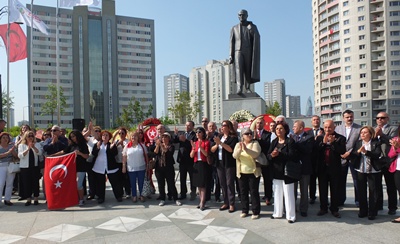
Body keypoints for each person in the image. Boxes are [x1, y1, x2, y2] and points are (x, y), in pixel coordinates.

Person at [49, 130, 89, 206]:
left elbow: (87, 156)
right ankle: (75, 198)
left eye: (74, 136)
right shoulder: (72, 145)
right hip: (72, 167)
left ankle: (81, 199)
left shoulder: (83, 145)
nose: (73, 138)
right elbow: (63, 152)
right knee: (72, 184)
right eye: (71, 137)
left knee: (79, 184)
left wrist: (80, 153)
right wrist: (52, 156)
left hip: (81, 167)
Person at [267, 123, 297, 223]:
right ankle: (277, 213)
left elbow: (292, 155)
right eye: (277, 129)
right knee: (277, 193)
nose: (278, 130)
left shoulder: (290, 141)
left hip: (287, 171)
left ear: (285, 130)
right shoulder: (274, 141)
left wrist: (280, 153)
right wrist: (272, 155)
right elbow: (268, 156)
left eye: (281, 129)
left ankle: (290, 216)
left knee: (288, 194)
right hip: (276, 171)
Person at [316, 120, 346, 218]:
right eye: (325, 127)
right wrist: (323, 143)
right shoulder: (319, 138)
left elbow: (342, 151)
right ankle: (323, 208)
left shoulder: (340, 138)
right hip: (322, 168)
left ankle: (334, 209)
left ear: (334, 127)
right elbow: (316, 152)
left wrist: (333, 143)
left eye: (329, 127)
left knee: (335, 189)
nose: (327, 129)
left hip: (335, 168)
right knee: (322, 188)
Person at [351, 126, 382, 220]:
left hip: (373, 170)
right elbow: (353, 155)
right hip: (361, 169)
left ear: (370, 134)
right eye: (361, 132)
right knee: (361, 191)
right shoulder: (358, 143)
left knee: (373, 191)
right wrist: (358, 152)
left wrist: (366, 152)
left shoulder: (376, 143)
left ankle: (372, 212)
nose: (362, 134)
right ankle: (363, 210)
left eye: (365, 132)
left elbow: (377, 155)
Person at [229, 9, 260, 95]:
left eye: (243, 15)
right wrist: (230, 55)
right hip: (237, 51)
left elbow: (257, 37)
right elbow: (232, 42)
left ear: (247, 16)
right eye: (239, 15)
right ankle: (239, 87)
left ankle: (247, 88)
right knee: (239, 69)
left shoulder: (252, 27)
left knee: (248, 69)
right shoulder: (234, 28)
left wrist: (251, 30)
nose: (241, 16)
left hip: (248, 50)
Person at [233, 127, 262, 219]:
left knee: (253, 192)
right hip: (241, 172)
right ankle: (245, 210)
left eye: (250, 133)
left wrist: (246, 149)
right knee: (243, 192)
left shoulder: (255, 143)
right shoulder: (238, 144)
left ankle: (255, 211)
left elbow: (256, 154)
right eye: (247, 134)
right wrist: (240, 149)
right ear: (242, 136)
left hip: (253, 172)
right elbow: (234, 156)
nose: (249, 135)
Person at [335, 110, 361, 207]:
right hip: (341, 158)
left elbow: (359, 143)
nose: (349, 118)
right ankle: (340, 200)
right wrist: (341, 153)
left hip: (354, 157)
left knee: (356, 180)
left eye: (351, 116)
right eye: (347, 117)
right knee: (341, 180)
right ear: (343, 118)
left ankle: (358, 200)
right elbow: (336, 142)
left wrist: (349, 153)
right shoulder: (338, 128)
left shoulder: (359, 128)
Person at [374, 112, 398, 215]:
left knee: (390, 185)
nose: (380, 120)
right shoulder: (374, 129)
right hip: (377, 161)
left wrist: (381, 135)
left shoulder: (393, 128)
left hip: (388, 161)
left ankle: (392, 207)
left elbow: (393, 141)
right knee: (377, 185)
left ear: (387, 119)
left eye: (382, 118)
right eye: (378, 118)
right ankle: (378, 205)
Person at [212, 120, 239, 213]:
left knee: (229, 184)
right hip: (219, 163)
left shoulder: (233, 138)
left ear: (229, 127)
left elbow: (231, 149)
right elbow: (212, 149)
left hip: (229, 163)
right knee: (222, 183)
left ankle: (232, 203)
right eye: (222, 126)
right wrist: (217, 144)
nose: (222, 127)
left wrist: (221, 144)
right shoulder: (219, 137)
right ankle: (225, 202)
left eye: (224, 125)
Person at [92, 130, 123, 204]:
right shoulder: (97, 144)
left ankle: (118, 196)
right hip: (99, 167)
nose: (105, 137)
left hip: (111, 167)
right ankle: (101, 197)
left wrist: (112, 148)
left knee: (114, 182)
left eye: (107, 135)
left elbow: (114, 154)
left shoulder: (111, 145)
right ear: (101, 137)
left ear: (109, 137)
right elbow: (94, 153)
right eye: (103, 135)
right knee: (100, 183)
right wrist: (98, 147)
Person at [292, 120, 314, 217]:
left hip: (305, 168)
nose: (293, 128)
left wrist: (295, 144)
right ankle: (292, 207)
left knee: (304, 190)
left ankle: (303, 209)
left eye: (295, 126)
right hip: (293, 168)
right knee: (293, 190)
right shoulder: (292, 138)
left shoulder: (309, 138)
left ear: (301, 128)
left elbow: (307, 150)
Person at [153, 132, 181, 206]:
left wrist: (161, 145)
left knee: (171, 184)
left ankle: (176, 198)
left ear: (168, 138)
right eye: (162, 137)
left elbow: (167, 152)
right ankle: (162, 198)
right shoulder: (159, 145)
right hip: (159, 167)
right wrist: (158, 145)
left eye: (165, 137)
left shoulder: (171, 146)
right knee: (161, 184)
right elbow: (155, 152)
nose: (163, 138)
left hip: (168, 168)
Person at [18, 131, 42, 206]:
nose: (31, 137)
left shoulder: (37, 144)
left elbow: (39, 153)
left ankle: (36, 198)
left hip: (34, 166)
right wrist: (28, 149)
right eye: (29, 136)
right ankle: (28, 199)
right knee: (26, 183)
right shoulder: (21, 145)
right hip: (25, 167)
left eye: (32, 136)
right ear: (26, 137)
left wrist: (33, 147)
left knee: (35, 182)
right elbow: (20, 155)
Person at [173, 121, 197, 200]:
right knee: (182, 178)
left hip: (190, 160)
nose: (187, 127)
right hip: (182, 160)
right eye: (186, 125)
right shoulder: (182, 133)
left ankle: (193, 193)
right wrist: (176, 134)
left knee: (192, 178)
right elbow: (175, 141)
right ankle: (183, 193)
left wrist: (185, 140)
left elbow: (193, 145)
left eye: (189, 126)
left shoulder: (194, 135)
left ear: (193, 126)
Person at [122, 131, 147, 203]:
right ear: (130, 138)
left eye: (135, 136)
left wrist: (147, 165)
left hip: (141, 167)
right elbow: (124, 157)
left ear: (138, 137)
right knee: (132, 183)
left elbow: (146, 156)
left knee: (141, 182)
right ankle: (134, 196)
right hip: (131, 168)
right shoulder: (127, 146)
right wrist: (123, 166)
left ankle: (141, 195)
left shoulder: (142, 146)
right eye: (132, 136)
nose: (133, 137)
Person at [190, 127, 210, 210]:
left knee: (203, 184)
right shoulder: (195, 142)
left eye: (199, 132)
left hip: (203, 164)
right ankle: (200, 200)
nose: (197, 134)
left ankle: (202, 201)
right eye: (196, 132)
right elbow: (191, 156)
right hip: (196, 164)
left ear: (203, 133)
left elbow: (206, 154)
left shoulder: (206, 142)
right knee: (198, 184)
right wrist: (194, 148)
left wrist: (201, 147)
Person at [253, 117, 272, 205]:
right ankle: (254, 197)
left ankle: (268, 197)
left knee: (267, 179)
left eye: (261, 123)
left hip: (264, 159)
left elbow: (267, 145)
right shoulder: (251, 133)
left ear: (264, 124)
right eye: (257, 123)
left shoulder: (268, 134)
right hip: (254, 160)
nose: (259, 124)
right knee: (254, 179)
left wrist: (258, 139)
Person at [307, 115, 323, 204]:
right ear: (311, 122)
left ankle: (323, 198)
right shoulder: (308, 133)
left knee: (322, 180)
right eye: (314, 120)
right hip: (311, 160)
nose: (316, 121)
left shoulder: (324, 131)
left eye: (317, 120)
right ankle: (312, 197)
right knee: (312, 180)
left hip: (322, 159)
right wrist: (316, 138)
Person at [112, 127, 131, 199]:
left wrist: (123, 145)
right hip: (118, 162)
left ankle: (128, 192)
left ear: (125, 134)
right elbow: (112, 149)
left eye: (122, 133)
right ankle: (121, 192)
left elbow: (128, 151)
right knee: (119, 179)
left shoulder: (128, 141)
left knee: (126, 178)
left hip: (125, 162)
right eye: (119, 133)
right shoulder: (116, 141)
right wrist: (117, 144)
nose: (121, 135)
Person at [0, 132, 18, 206]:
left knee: (9, 184)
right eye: (3, 138)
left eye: (6, 138)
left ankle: (7, 199)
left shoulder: (11, 146)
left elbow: (16, 156)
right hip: (1, 166)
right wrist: (9, 152)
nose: (5, 139)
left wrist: (13, 151)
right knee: (1, 184)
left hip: (10, 166)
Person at [206, 121, 221, 202]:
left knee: (217, 180)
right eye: (210, 126)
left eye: (213, 126)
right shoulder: (205, 136)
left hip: (216, 161)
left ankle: (217, 196)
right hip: (207, 161)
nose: (211, 128)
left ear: (215, 127)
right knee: (208, 179)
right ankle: (207, 195)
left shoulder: (218, 136)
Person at [388, 132, 400, 223]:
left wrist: (398, 147)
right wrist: (395, 147)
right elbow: (390, 155)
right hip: (398, 169)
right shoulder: (396, 139)